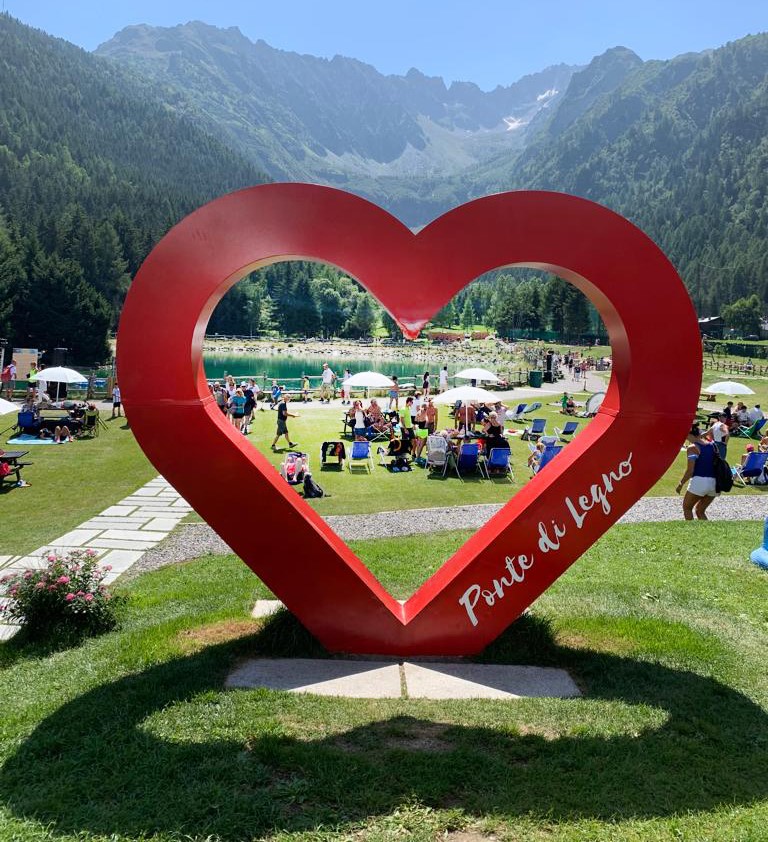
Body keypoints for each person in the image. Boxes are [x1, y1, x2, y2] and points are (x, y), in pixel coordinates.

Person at [676, 423, 719, 520]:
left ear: (690, 435)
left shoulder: (692, 447)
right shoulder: (713, 445)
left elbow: (690, 470)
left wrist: (681, 483)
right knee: (700, 511)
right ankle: (708, 530)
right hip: (715, 483)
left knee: (687, 508)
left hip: (700, 481)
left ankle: (690, 529)